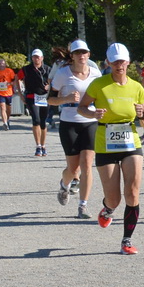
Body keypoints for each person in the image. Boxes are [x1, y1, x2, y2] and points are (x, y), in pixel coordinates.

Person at [79, 43, 144, 254]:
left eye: (123, 61)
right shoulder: (98, 85)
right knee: (115, 198)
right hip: (105, 144)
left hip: (130, 143)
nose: (119, 65)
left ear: (128, 62)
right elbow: (82, 107)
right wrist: (92, 114)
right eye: (115, 61)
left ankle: (126, 240)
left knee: (133, 193)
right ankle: (108, 208)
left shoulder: (137, 87)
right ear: (108, 62)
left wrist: (141, 116)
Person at [51, 39, 102, 218]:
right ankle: (64, 185)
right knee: (73, 169)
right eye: (78, 53)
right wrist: (66, 99)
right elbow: (50, 99)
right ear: (71, 56)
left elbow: (102, 96)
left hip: (90, 121)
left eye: (84, 53)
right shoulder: (63, 73)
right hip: (69, 122)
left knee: (87, 164)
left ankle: (83, 206)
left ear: (89, 55)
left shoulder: (96, 74)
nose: (82, 56)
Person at [21, 48, 52, 156]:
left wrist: (50, 86)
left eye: (38, 57)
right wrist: (21, 95)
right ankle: (38, 145)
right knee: (36, 120)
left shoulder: (48, 69)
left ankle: (43, 145)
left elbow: (54, 80)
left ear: (42, 58)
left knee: (43, 122)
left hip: (44, 98)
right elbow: (17, 79)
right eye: (34, 57)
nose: (36, 59)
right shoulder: (26, 69)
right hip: (31, 96)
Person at [0, 57, 18, 128]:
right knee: (2, 107)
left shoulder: (9, 71)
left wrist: (10, 83)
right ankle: (4, 122)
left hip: (8, 92)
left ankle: (7, 119)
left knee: (8, 108)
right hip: (0, 92)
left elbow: (15, 80)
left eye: (3, 64)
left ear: (5, 64)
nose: (1, 65)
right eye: (0, 64)